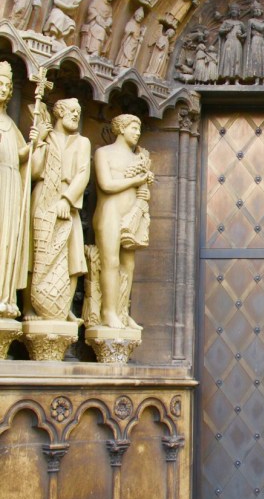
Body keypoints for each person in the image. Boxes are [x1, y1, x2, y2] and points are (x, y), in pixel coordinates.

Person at [27, 99, 90, 321]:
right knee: (35, 251)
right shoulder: (47, 136)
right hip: (43, 195)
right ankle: (28, 307)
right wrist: (39, 142)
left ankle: (64, 308)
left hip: (68, 199)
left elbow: (83, 173)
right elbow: (34, 172)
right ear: (59, 113)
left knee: (74, 254)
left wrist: (67, 199)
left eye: (79, 112)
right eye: (72, 111)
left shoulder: (82, 142)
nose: (76, 115)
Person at [92, 115, 153, 329]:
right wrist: (137, 180)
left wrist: (144, 190)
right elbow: (106, 184)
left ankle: (122, 311)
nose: (137, 132)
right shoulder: (104, 153)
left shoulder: (139, 159)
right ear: (120, 129)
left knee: (128, 265)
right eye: (134, 128)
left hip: (131, 215)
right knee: (111, 261)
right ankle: (108, 312)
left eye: (139, 128)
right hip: (110, 212)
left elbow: (143, 192)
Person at [0, 62, 31, 318]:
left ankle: (4, 296)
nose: (3, 89)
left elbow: (20, 156)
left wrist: (35, 141)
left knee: (7, 240)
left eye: (6, 85)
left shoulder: (10, 124)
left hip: (11, 185)